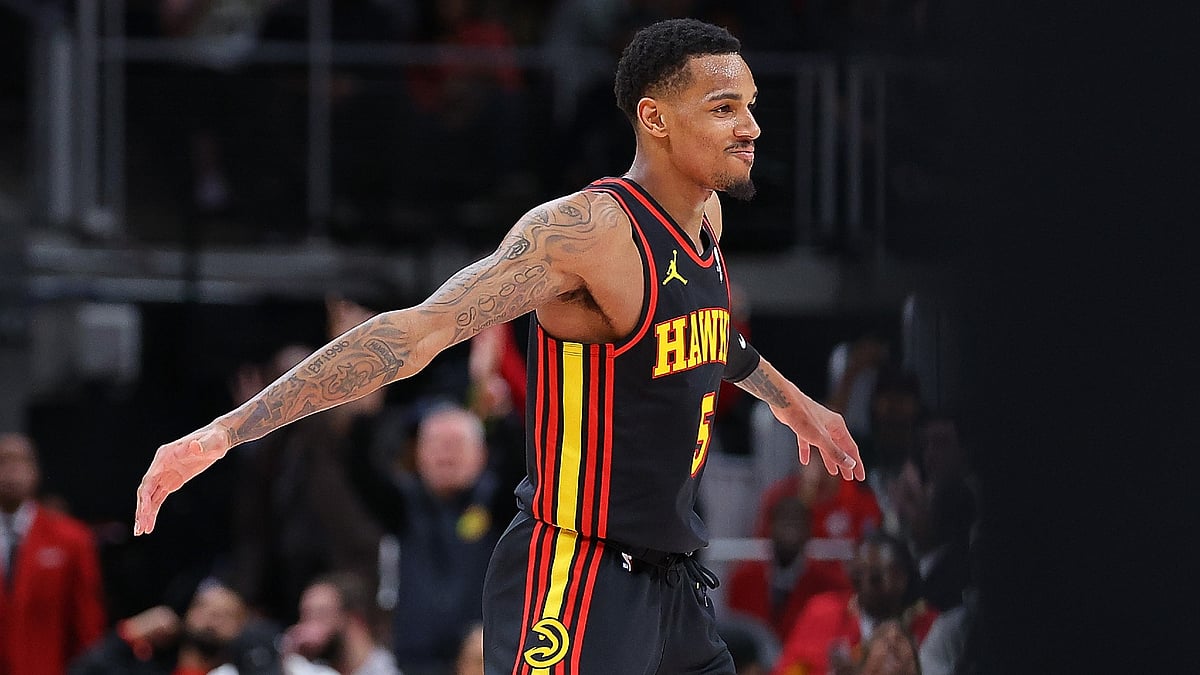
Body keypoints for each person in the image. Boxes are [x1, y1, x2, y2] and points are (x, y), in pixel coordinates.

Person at [134, 18, 864, 674]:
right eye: (725, 107)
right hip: (577, 574)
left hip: (673, 582)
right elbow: (414, 332)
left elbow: (713, 342)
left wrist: (798, 406)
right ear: (655, 118)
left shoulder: (706, 216)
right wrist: (227, 431)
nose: (752, 127)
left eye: (751, 105)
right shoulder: (583, 234)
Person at [0, 432, 107, 675]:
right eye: (3, 461)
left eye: (20, 461)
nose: (11, 471)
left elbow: (87, 623)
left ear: (35, 471)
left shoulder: (71, 539)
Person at [771, 532, 936, 675]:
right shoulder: (823, 611)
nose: (863, 585)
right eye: (857, 576)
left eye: (875, 577)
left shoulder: (929, 626)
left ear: (900, 578)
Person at [724, 494, 852, 640]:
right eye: (784, 520)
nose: (790, 528)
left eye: (797, 522)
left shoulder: (828, 585)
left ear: (809, 530)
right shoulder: (742, 581)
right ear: (769, 527)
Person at [70, 579, 252, 675]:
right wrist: (128, 633)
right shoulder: (147, 667)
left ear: (242, 626)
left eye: (226, 614)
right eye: (203, 607)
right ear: (186, 614)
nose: (212, 618)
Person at [275, 572, 402, 675]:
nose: (305, 628)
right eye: (304, 617)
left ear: (355, 619)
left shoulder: (391, 669)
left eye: (320, 615)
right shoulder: (309, 669)